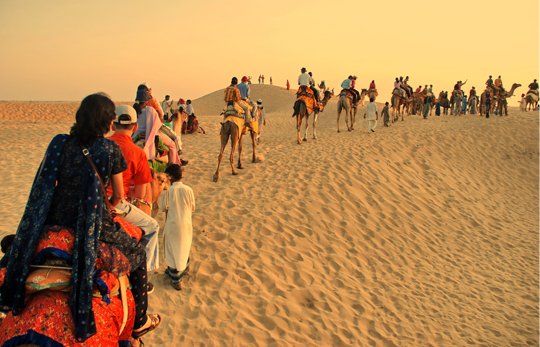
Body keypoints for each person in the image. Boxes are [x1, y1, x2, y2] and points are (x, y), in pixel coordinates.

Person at [0, 94, 160, 345]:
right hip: (95, 222)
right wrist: (107, 208)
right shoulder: (109, 150)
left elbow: (46, 182)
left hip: (55, 218)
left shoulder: (59, 143)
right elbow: (118, 194)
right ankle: (139, 322)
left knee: (14, 250)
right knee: (138, 253)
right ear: (108, 122)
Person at [108, 105, 161, 273]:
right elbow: (140, 194)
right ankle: (144, 273)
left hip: (92, 199)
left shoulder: (101, 145)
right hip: (116, 203)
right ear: (135, 127)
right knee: (152, 226)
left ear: (112, 125)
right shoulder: (138, 153)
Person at [158, 164, 195, 291]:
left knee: (171, 249)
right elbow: (192, 207)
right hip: (186, 223)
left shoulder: (168, 191)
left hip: (173, 224)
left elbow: (162, 207)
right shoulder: (188, 189)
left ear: (170, 177)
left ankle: (176, 279)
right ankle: (183, 269)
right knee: (184, 247)